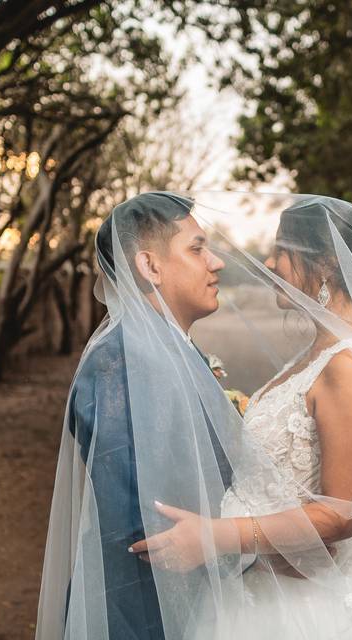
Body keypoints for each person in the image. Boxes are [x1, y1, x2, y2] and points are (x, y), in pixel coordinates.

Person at [126, 194, 352, 639]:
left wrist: (217, 536)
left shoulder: (350, 365)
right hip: (270, 586)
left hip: (314, 610)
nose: (269, 261)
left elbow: (343, 514)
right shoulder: (321, 352)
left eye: (280, 251)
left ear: (322, 264)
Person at [35, 192, 233, 640]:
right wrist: (257, 540)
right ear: (150, 266)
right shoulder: (119, 364)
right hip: (145, 613)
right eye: (197, 248)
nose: (216, 262)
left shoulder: (169, 349)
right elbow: (145, 524)